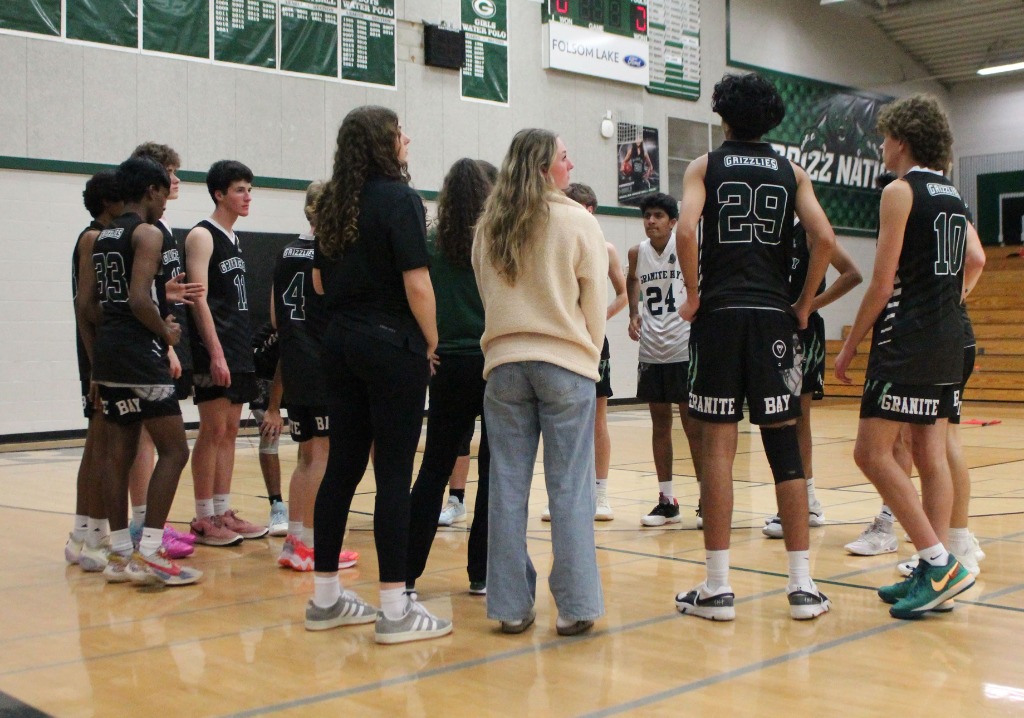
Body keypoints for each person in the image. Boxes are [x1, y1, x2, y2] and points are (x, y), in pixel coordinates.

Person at [674, 72, 836, 622]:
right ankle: (802, 586)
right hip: (773, 319)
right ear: (772, 119)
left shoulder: (706, 166)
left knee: (718, 450)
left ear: (722, 114)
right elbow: (826, 239)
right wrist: (805, 303)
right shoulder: (793, 173)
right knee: (784, 449)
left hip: (720, 316)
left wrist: (694, 296)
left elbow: (687, 231)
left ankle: (717, 588)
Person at [835, 93, 985, 619]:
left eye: (884, 137)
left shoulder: (900, 192)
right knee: (930, 455)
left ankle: (938, 561)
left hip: (907, 338)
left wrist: (849, 345)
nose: (880, 145)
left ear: (901, 139)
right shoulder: (953, 194)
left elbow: (880, 284)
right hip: (948, 335)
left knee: (871, 453)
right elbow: (977, 258)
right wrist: (950, 300)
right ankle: (933, 568)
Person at [306, 105, 451, 644]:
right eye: (398, 133)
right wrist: (431, 343)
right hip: (390, 344)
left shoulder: (332, 203)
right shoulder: (401, 199)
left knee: (341, 467)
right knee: (393, 471)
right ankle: (394, 608)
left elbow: (321, 285)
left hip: (339, 342)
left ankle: (325, 599)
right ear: (381, 144)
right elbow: (418, 286)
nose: (406, 139)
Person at [473, 128, 608, 636]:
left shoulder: (489, 225)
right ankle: (575, 607)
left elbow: (487, 294)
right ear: (546, 167)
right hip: (564, 365)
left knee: (506, 485)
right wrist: (588, 352)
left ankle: (509, 606)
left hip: (504, 364)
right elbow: (593, 301)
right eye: (565, 158)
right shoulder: (577, 221)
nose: (570, 167)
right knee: (570, 489)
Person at [76, 157, 202, 586]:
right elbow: (138, 299)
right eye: (165, 192)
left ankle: (117, 556)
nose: (167, 202)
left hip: (109, 357)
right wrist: (165, 332)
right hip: (139, 357)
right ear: (150, 190)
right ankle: (150, 553)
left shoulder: (99, 236)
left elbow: (85, 306)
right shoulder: (145, 233)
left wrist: (96, 364)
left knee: (118, 453)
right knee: (175, 450)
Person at [407, 157, 495, 596]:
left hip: (447, 365)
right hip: (493, 363)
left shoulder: (429, 242)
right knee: (493, 473)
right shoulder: (496, 243)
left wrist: (427, 344)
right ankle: (481, 572)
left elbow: (413, 294)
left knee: (434, 467)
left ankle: (406, 573)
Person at [263, 181, 358, 572]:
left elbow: (273, 317)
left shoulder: (286, 252)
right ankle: (314, 546)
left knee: (306, 456)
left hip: (295, 364)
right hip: (323, 363)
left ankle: (295, 542)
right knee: (322, 457)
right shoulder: (331, 251)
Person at [761, 222, 862, 538]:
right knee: (778, 417)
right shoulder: (771, 231)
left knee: (797, 418)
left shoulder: (811, 230)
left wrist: (807, 305)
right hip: (772, 330)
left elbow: (852, 274)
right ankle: (807, 500)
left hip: (803, 333)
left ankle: (806, 501)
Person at [185, 160, 267, 546]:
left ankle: (223, 511)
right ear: (219, 194)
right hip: (212, 346)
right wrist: (215, 351)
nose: (247, 196)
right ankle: (203, 518)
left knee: (231, 431)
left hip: (237, 344)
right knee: (212, 430)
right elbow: (197, 299)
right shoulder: (202, 236)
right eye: (239, 189)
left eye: (249, 189)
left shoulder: (234, 238)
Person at [128, 141, 197, 559]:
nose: (174, 181)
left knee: (146, 438)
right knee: (144, 438)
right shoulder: (145, 229)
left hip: (159, 336)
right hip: (147, 343)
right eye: (169, 173)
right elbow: (139, 296)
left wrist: (164, 290)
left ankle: (140, 523)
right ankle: (141, 521)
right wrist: (164, 343)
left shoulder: (163, 228)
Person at [547, 181, 628, 522]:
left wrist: (598, 317)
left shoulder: (606, 248)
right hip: (562, 340)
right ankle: (564, 496)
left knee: (597, 418)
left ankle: (601, 493)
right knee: (561, 420)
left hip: (592, 342)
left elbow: (624, 295)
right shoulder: (555, 242)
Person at [625, 192, 703, 528]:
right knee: (659, 425)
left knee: (693, 427)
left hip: (683, 347)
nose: (651, 221)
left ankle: (706, 498)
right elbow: (631, 280)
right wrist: (632, 312)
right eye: (647, 216)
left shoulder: (686, 247)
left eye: (658, 216)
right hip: (652, 350)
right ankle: (667, 500)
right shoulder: (636, 253)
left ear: (673, 222)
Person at [66, 170, 123, 570]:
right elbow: (84, 306)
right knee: (101, 445)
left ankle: (85, 532)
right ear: (109, 202)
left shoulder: (101, 239)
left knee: (97, 442)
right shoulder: (92, 239)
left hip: (99, 352)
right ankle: (89, 533)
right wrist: (95, 368)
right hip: (97, 353)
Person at [249, 321, 289, 537]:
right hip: (264, 369)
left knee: (314, 439)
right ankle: (277, 506)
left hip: (300, 369)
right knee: (270, 432)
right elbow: (286, 359)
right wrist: (273, 408)